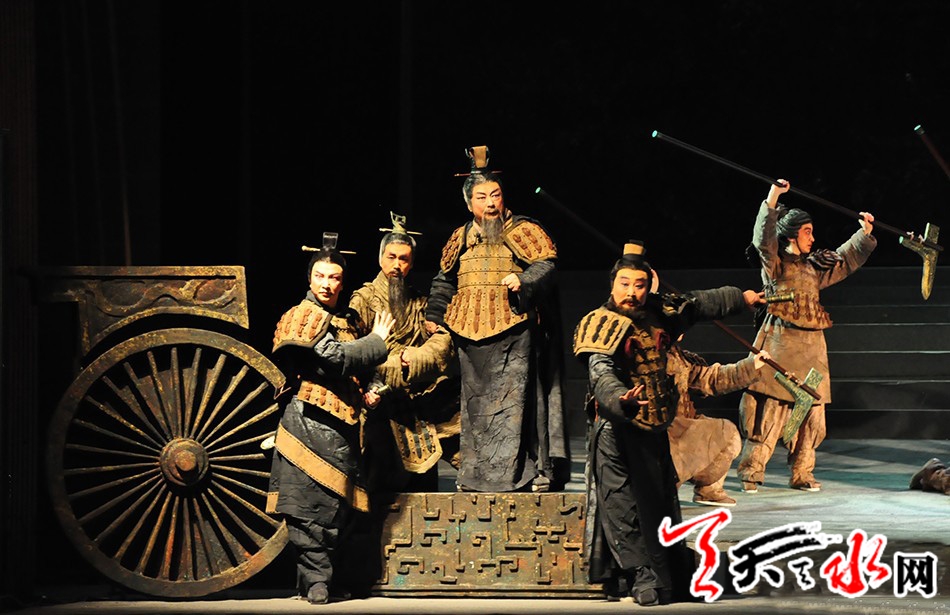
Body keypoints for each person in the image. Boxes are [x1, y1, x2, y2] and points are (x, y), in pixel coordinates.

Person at [573, 240, 765, 605]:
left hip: (654, 426)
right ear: (613, 284)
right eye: (625, 284)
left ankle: (666, 574)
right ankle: (640, 576)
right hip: (615, 429)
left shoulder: (658, 312)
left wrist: (742, 298)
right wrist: (620, 398)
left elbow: (699, 304)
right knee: (622, 504)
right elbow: (601, 372)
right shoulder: (599, 323)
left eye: (639, 285)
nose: (632, 292)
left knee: (659, 505)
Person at [425, 145, 568, 493]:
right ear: (468, 203)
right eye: (481, 197)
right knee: (474, 410)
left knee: (514, 407)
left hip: (514, 329)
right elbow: (444, 279)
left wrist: (524, 280)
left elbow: (545, 265)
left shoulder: (523, 229)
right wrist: (434, 315)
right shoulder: (460, 237)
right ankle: (476, 476)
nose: (490, 203)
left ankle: (520, 474)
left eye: (495, 195)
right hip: (468, 335)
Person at [266, 233, 395, 605]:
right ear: (309, 278)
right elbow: (332, 359)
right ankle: (316, 580)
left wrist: (373, 387)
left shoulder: (349, 319)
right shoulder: (301, 316)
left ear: (343, 281)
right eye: (320, 276)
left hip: (345, 426)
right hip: (308, 422)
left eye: (334, 277)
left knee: (338, 507)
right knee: (308, 504)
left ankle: (327, 578)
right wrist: (376, 341)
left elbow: (364, 368)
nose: (326, 284)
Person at [737, 179, 876, 493]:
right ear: (791, 235)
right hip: (780, 343)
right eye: (807, 232)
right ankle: (752, 471)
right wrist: (773, 197)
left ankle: (802, 472)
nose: (812, 238)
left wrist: (864, 234)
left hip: (813, 349)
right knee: (770, 409)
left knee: (812, 413)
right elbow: (763, 240)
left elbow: (845, 260)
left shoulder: (814, 268)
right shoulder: (775, 266)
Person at [349, 212, 461, 493]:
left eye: (404, 259)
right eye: (391, 257)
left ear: (411, 263)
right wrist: (391, 367)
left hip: (416, 398)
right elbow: (351, 350)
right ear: (381, 259)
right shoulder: (363, 300)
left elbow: (443, 341)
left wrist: (416, 358)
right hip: (377, 400)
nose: (397, 265)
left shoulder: (419, 303)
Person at [666, 342, 769, 508]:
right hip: (664, 429)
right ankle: (661, 491)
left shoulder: (678, 356)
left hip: (683, 425)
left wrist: (751, 366)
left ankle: (709, 489)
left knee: (727, 435)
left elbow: (710, 378)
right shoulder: (650, 355)